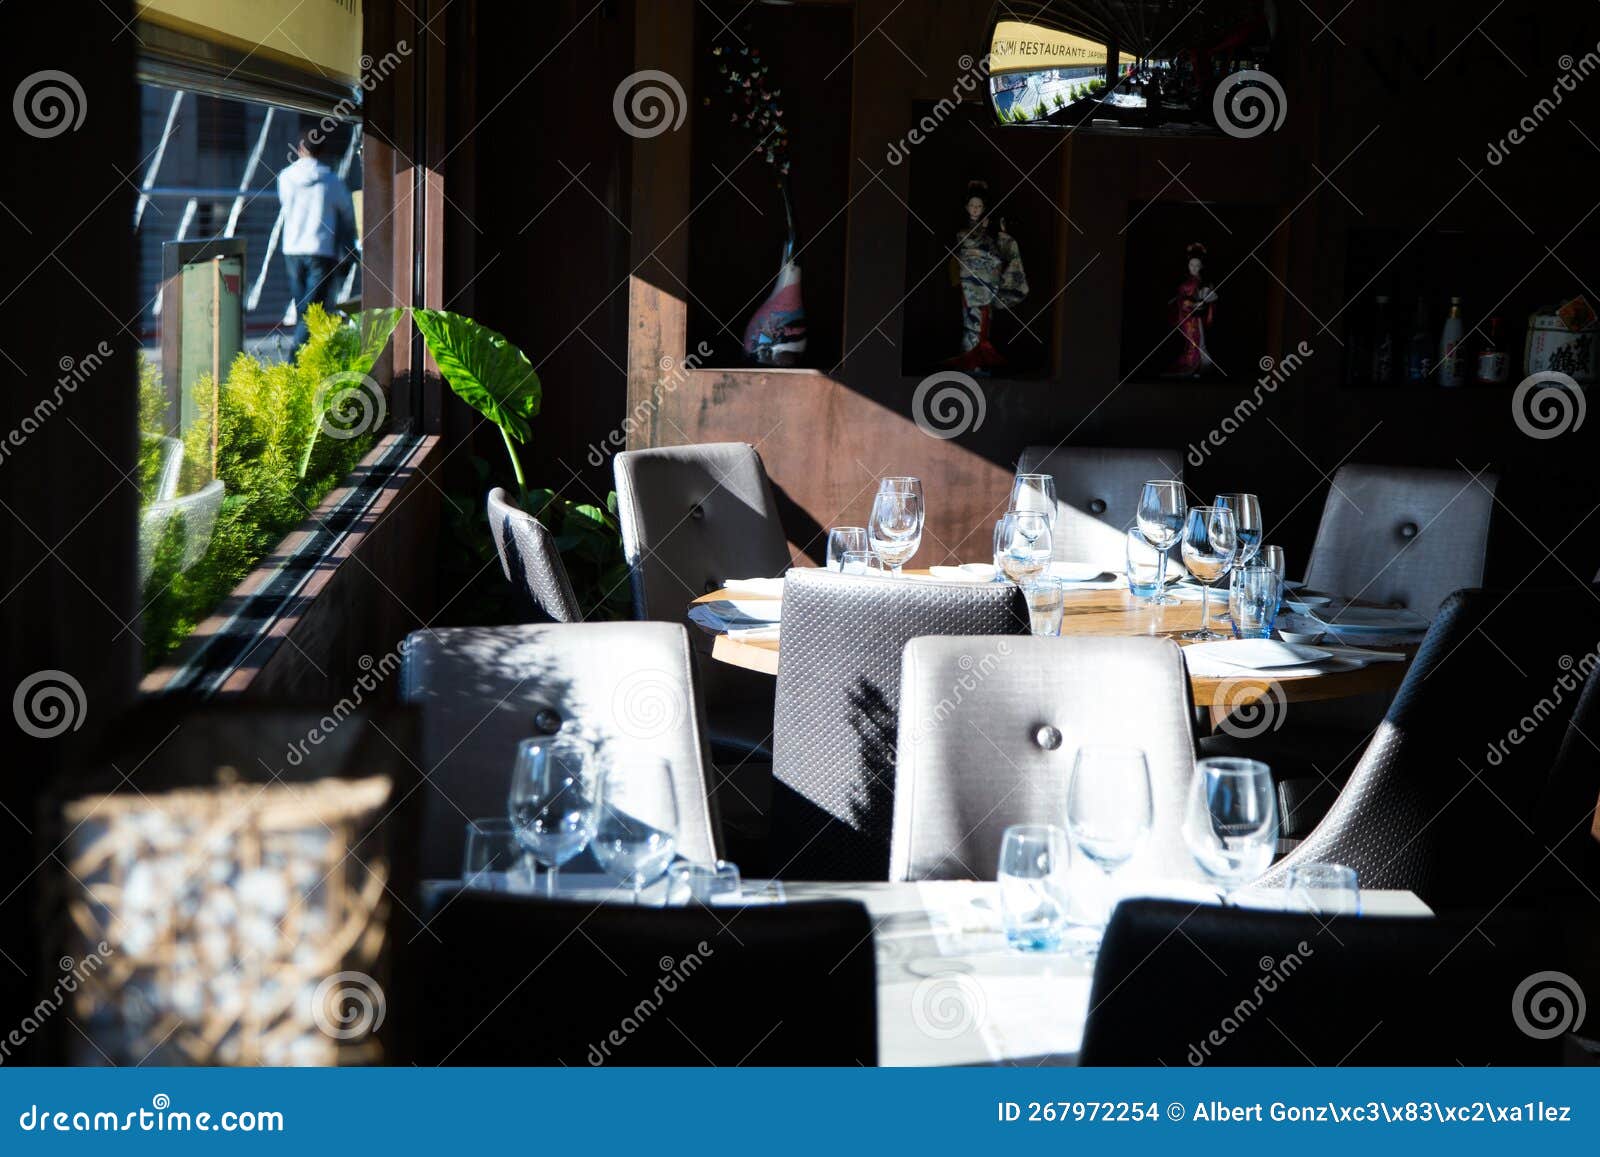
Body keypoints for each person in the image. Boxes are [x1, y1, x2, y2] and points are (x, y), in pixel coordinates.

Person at [277, 130, 356, 352]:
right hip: (321, 249)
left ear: (300, 149)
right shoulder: (331, 181)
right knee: (311, 308)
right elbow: (347, 212)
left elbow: (284, 203)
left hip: (291, 249)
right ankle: (297, 359)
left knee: (304, 306)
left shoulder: (285, 177)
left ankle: (301, 358)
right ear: (322, 151)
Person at [946, 179, 1029, 374]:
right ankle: (970, 361)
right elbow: (967, 246)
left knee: (985, 322)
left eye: (979, 206)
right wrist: (982, 232)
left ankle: (980, 362)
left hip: (987, 284)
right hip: (970, 284)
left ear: (984, 208)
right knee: (971, 322)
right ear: (966, 207)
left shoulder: (988, 232)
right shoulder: (963, 231)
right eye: (972, 206)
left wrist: (1001, 233)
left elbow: (999, 252)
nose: (975, 209)